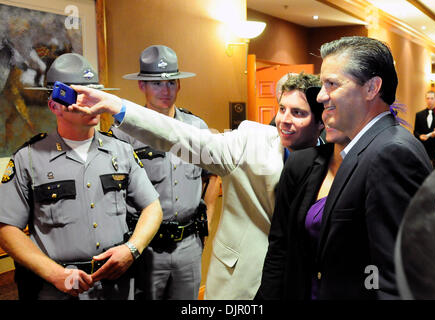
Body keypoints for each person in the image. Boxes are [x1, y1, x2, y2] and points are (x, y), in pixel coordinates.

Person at [68, 72, 325, 299]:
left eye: (298, 113)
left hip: (302, 282)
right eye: (282, 109)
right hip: (244, 281)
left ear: (320, 121)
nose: (284, 120)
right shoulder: (250, 143)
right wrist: (117, 107)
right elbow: (182, 137)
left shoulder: (332, 163)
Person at [0, 53, 163, 300]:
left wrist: (132, 249)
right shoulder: (29, 158)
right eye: (80, 96)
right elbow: (6, 228)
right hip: (55, 290)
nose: (92, 102)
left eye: (95, 94)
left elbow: (153, 207)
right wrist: (55, 273)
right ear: (54, 105)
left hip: (115, 288)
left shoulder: (121, 151)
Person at [311, 36, 432, 299]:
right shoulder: (367, 147)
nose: (321, 96)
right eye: (323, 84)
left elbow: (398, 279)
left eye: (332, 84)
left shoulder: (391, 153)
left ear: (371, 88)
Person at [112, 45, 219, 300]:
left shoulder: (196, 128)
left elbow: (212, 175)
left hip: (189, 244)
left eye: (171, 83)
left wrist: (207, 224)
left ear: (179, 85)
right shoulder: (124, 133)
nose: (165, 91)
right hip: (147, 248)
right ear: (142, 86)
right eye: (157, 84)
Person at [256, 123, 350, 300]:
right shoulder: (302, 163)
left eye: (299, 112)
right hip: (303, 289)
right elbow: (280, 246)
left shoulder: (384, 159)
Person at [414, 90, 435, 167]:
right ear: (425, 99)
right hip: (424, 148)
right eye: (428, 98)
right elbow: (415, 131)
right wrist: (419, 136)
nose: (430, 100)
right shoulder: (419, 114)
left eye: (432, 98)